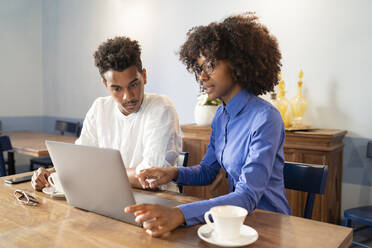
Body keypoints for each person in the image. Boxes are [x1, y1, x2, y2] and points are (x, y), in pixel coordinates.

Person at [125, 13, 291, 237]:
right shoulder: (221, 116)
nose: (202, 76)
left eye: (211, 66)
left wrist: (180, 214)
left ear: (237, 64)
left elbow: (247, 196)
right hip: (235, 223)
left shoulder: (265, 118)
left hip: (268, 224)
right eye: (200, 68)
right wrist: (171, 173)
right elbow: (207, 171)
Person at [31, 36, 181, 190]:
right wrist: (49, 173)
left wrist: (94, 171)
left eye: (134, 84)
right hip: (107, 196)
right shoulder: (99, 108)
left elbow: (150, 177)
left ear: (144, 76)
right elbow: (80, 160)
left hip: (156, 203)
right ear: (105, 85)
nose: (128, 96)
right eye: (117, 88)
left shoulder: (162, 108)